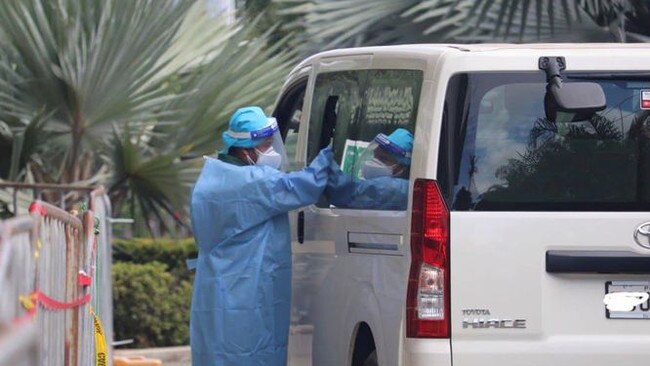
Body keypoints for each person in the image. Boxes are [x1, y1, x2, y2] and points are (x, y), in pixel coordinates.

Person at [190, 106, 333, 366]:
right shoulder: (253, 182)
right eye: (266, 145)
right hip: (244, 294)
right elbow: (304, 187)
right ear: (246, 150)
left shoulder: (213, 176)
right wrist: (329, 153)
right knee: (248, 355)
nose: (272, 151)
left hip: (216, 288)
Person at [326, 128, 413, 210]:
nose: (374, 161)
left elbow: (349, 192)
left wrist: (324, 169)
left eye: (383, 159)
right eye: (375, 155)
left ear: (401, 168)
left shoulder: (397, 189)